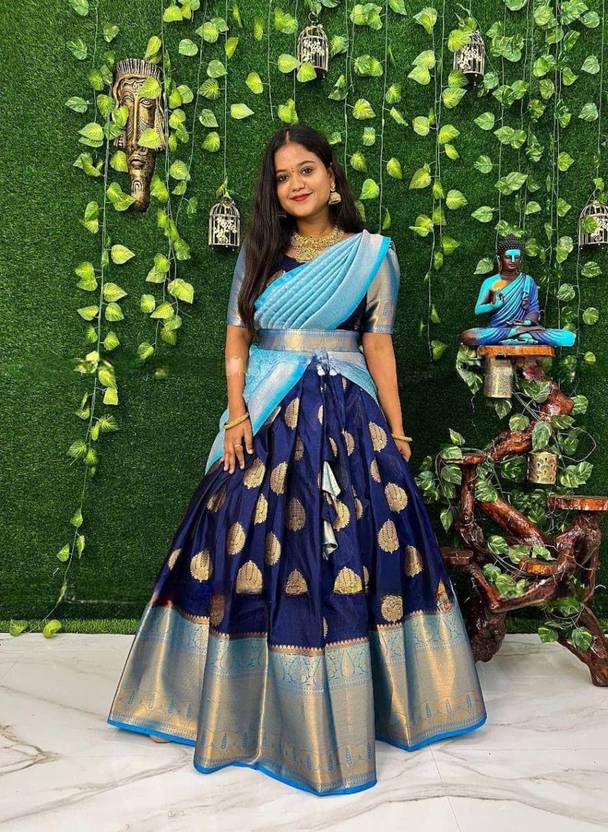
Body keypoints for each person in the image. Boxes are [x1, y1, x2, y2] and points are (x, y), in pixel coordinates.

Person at [107, 124, 487, 796]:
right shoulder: (261, 251)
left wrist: (398, 432)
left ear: (332, 176)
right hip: (268, 405)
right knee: (241, 532)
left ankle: (373, 698)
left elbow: (378, 346)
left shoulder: (372, 255)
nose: (295, 184)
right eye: (282, 177)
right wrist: (238, 414)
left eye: (306, 169)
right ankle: (238, 700)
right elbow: (237, 335)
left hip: (349, 413)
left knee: (355, 542)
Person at [461, 234, 576, 347]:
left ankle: (519, 335)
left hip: (524, 328)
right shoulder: (492, 283)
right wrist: (493, 305)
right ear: (500, 258)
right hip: (498, 329)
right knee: (469, 336)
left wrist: (526, 322)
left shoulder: (527, 281)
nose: (512, 260)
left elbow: (533, 309)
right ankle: (518, 335)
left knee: (568, 336)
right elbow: (478, 310)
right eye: (508, 257)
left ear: (520, 260)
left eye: (516, 257)